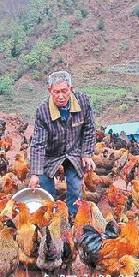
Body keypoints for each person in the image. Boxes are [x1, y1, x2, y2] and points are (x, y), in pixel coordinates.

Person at [29, 70, 96, 215]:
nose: (60, 96)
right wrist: (35, 173)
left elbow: (89, 128)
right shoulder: (43, 111)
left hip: (73, 151)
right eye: (56, 92)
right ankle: (51, 217)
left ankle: (72, 218)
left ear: (71, 89)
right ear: (50, 91)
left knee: (76, 188)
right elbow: (38, 144)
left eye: (64, 91)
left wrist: (86, 153)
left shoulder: (82, 101)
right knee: (46, 191)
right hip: (50, 154)